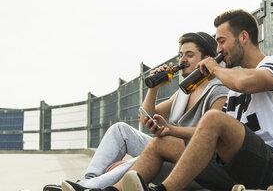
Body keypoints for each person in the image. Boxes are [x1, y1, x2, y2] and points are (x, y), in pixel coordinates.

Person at [120, 9, 273, 191]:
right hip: (236, 167)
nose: (219, 50)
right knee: (163, 143)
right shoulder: (233, 90)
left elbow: (246, 83)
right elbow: (211, 133)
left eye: (222, 41)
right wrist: (170, 130)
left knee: (213, 117)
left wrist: (215, 69)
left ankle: (162, 190)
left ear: (243, 37)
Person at [44, 32, 229, 191]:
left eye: (189, 55)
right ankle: (88, 182)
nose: (182, 60)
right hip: (170, 150)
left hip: (193, 164)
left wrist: (170, 131)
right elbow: (145, 117)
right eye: (181, 54)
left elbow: (212, 134)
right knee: (120, 130)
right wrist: (154, 88)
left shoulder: (218, 90)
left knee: (150, 151)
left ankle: (89, 188)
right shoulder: (184, 91)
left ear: (207, 59)